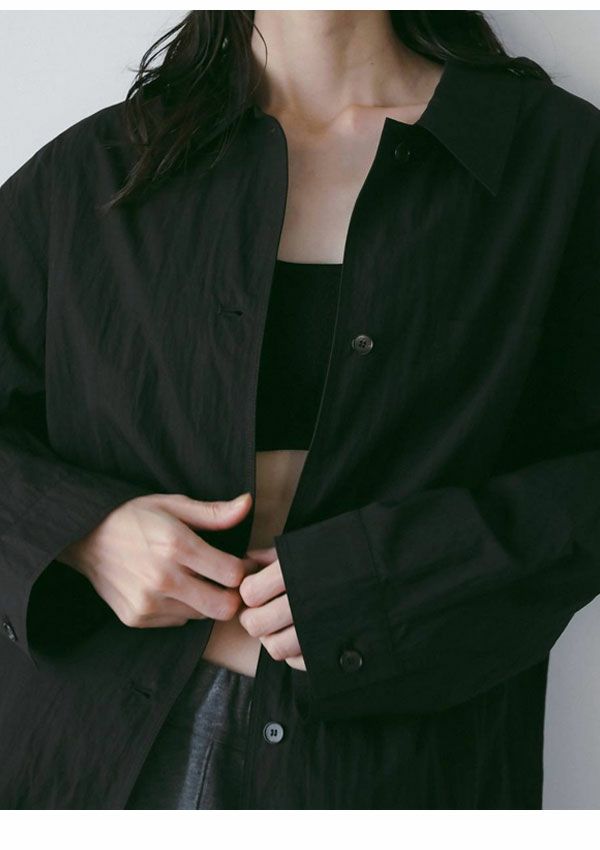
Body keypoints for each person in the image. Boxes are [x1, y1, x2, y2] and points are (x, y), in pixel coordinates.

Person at [1, 9, 600, 810]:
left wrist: (408, 575)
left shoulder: (554, 161)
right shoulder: (96, 171)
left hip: (397, 772)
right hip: (96, 758)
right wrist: (84, 536)